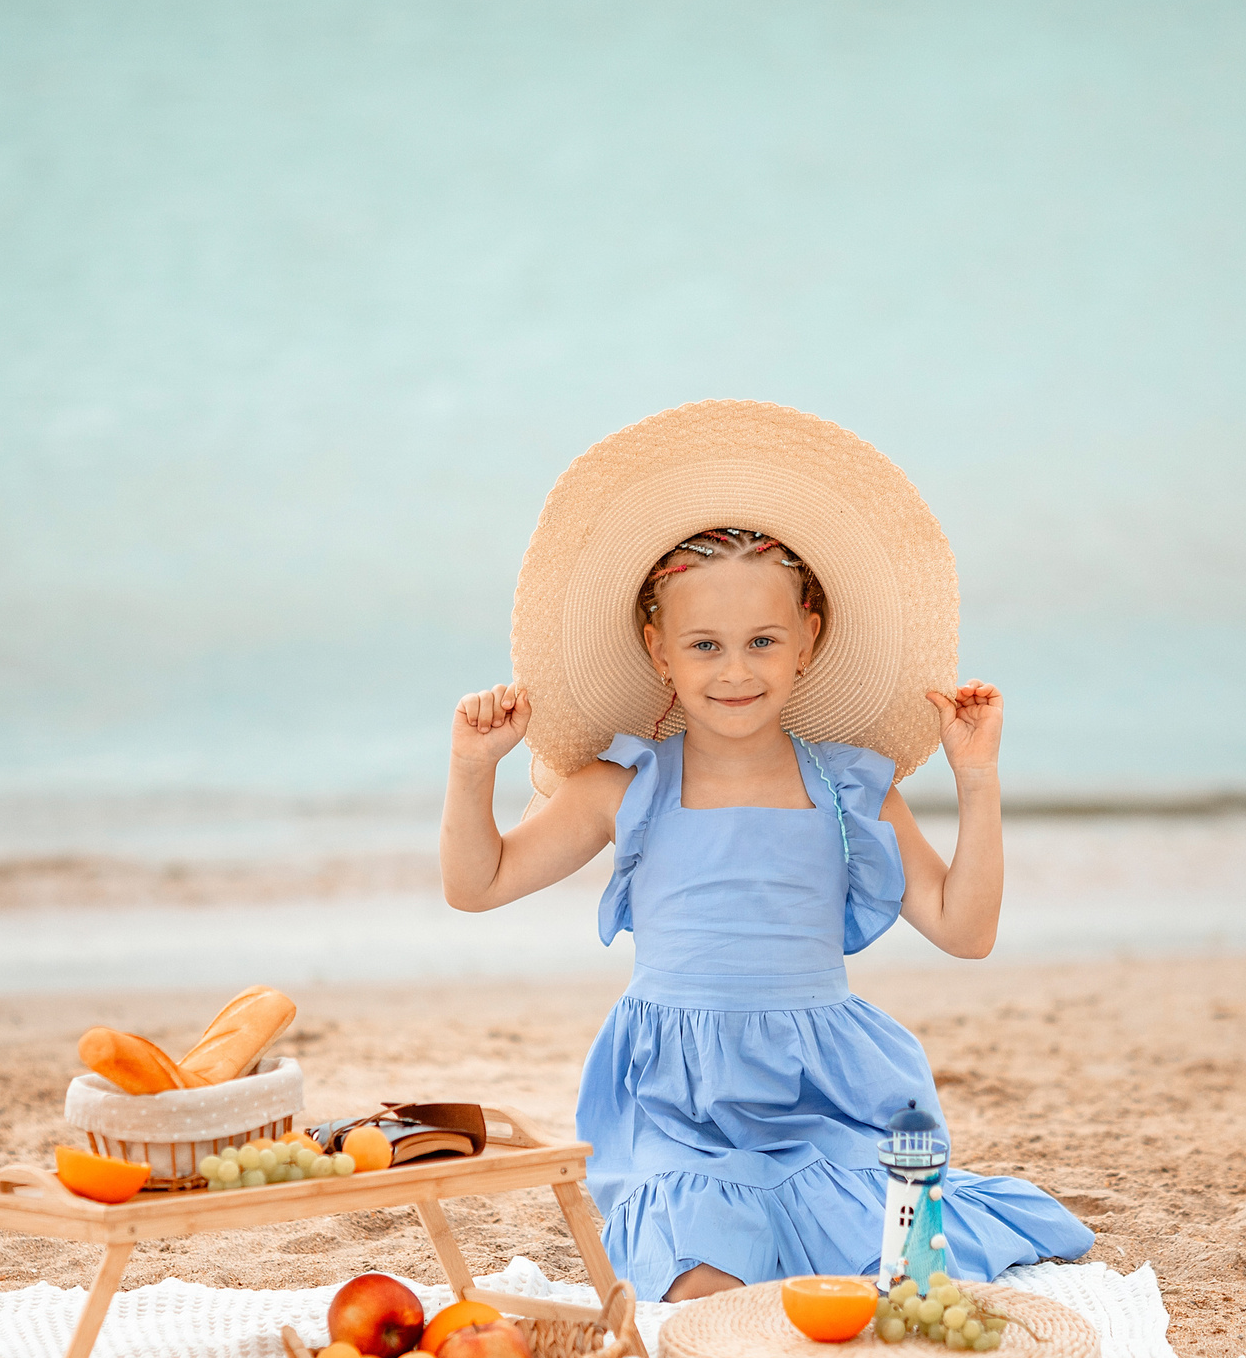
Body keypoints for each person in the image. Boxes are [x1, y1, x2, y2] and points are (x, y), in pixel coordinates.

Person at [440, 401, 1093, 1302]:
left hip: (828, 1090)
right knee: (706, 1279)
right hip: (678, 1102)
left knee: (893, 1272)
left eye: (762, 642)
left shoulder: (850, 787)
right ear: (657, 650)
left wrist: (975, 776)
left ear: (808, 641)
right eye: (704, 645)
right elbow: (479, 883)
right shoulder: (625, 787)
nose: (734, 670)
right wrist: (473, 768)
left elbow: (965, 928)